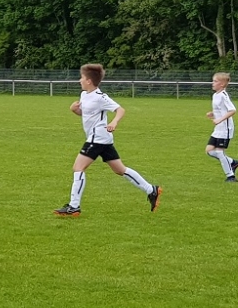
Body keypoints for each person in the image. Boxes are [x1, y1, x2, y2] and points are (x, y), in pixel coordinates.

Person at [54, 63, 161, 216]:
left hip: (97, 138)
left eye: (82, 78)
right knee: (120, 170)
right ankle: (151, 190)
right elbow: (86, 114)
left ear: (89, 81)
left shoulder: (100, 97)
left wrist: (114, 122)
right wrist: (75, 110)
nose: (79, 80)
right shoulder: (84, 95)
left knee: (78, 168)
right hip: (103, 139)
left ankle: (74, 206)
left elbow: (120, 110)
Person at [205, 72, 238, 183]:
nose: (212, 83)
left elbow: (232, 110)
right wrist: (213, 114)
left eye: (215, 81)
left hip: (225, 129)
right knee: (209, 151)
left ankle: (231, 177)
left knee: (220, 152)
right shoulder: (215, 95)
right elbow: (221, 110)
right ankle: (232, 162)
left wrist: (219, 120)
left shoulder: (223, 95)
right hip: (218, 129)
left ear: (221, 84)